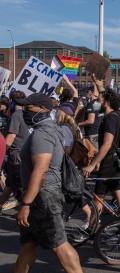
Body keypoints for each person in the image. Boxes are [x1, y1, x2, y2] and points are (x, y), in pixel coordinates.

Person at [14, 93, 83, 273]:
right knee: (29, 245)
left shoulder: (42, 133)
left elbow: (41, 169)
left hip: (43, 197)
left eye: (29, 108)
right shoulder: (53, 128)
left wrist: (26, 203)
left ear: (43, 109)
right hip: (41, 195)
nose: (25, 111)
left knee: (60, 244)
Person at [81, 89, 120, 213]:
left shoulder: (110, 118)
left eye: (99, 99)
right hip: (116, 161)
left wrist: (92, 165)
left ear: (107, 101)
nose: (96, 101)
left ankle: (93, 229)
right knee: (119, 195)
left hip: (110, 162)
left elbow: (107, 144)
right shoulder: (115, 115)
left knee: (98, 198)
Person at [2, 91, 31, 204]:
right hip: (25, 152)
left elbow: (11, 136)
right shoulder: (27, 113)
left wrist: (3, 151)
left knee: (19, 186)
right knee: (10, 183)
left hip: (16, 154)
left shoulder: (17, 115)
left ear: (12, 102)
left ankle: (26, 208)